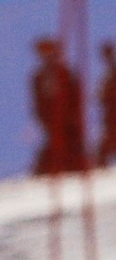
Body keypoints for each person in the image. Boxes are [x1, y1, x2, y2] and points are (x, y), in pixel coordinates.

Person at [30, 37, 86, 176]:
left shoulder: (64, 73)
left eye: (49, 51)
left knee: (70, 146)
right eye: (43, 52)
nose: (47, 56)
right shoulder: (39, 77)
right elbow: (38, 102)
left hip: (68, 121)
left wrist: (72, 115)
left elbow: (74, 95)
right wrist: (45, 119)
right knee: (56, 147)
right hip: (52, 122)